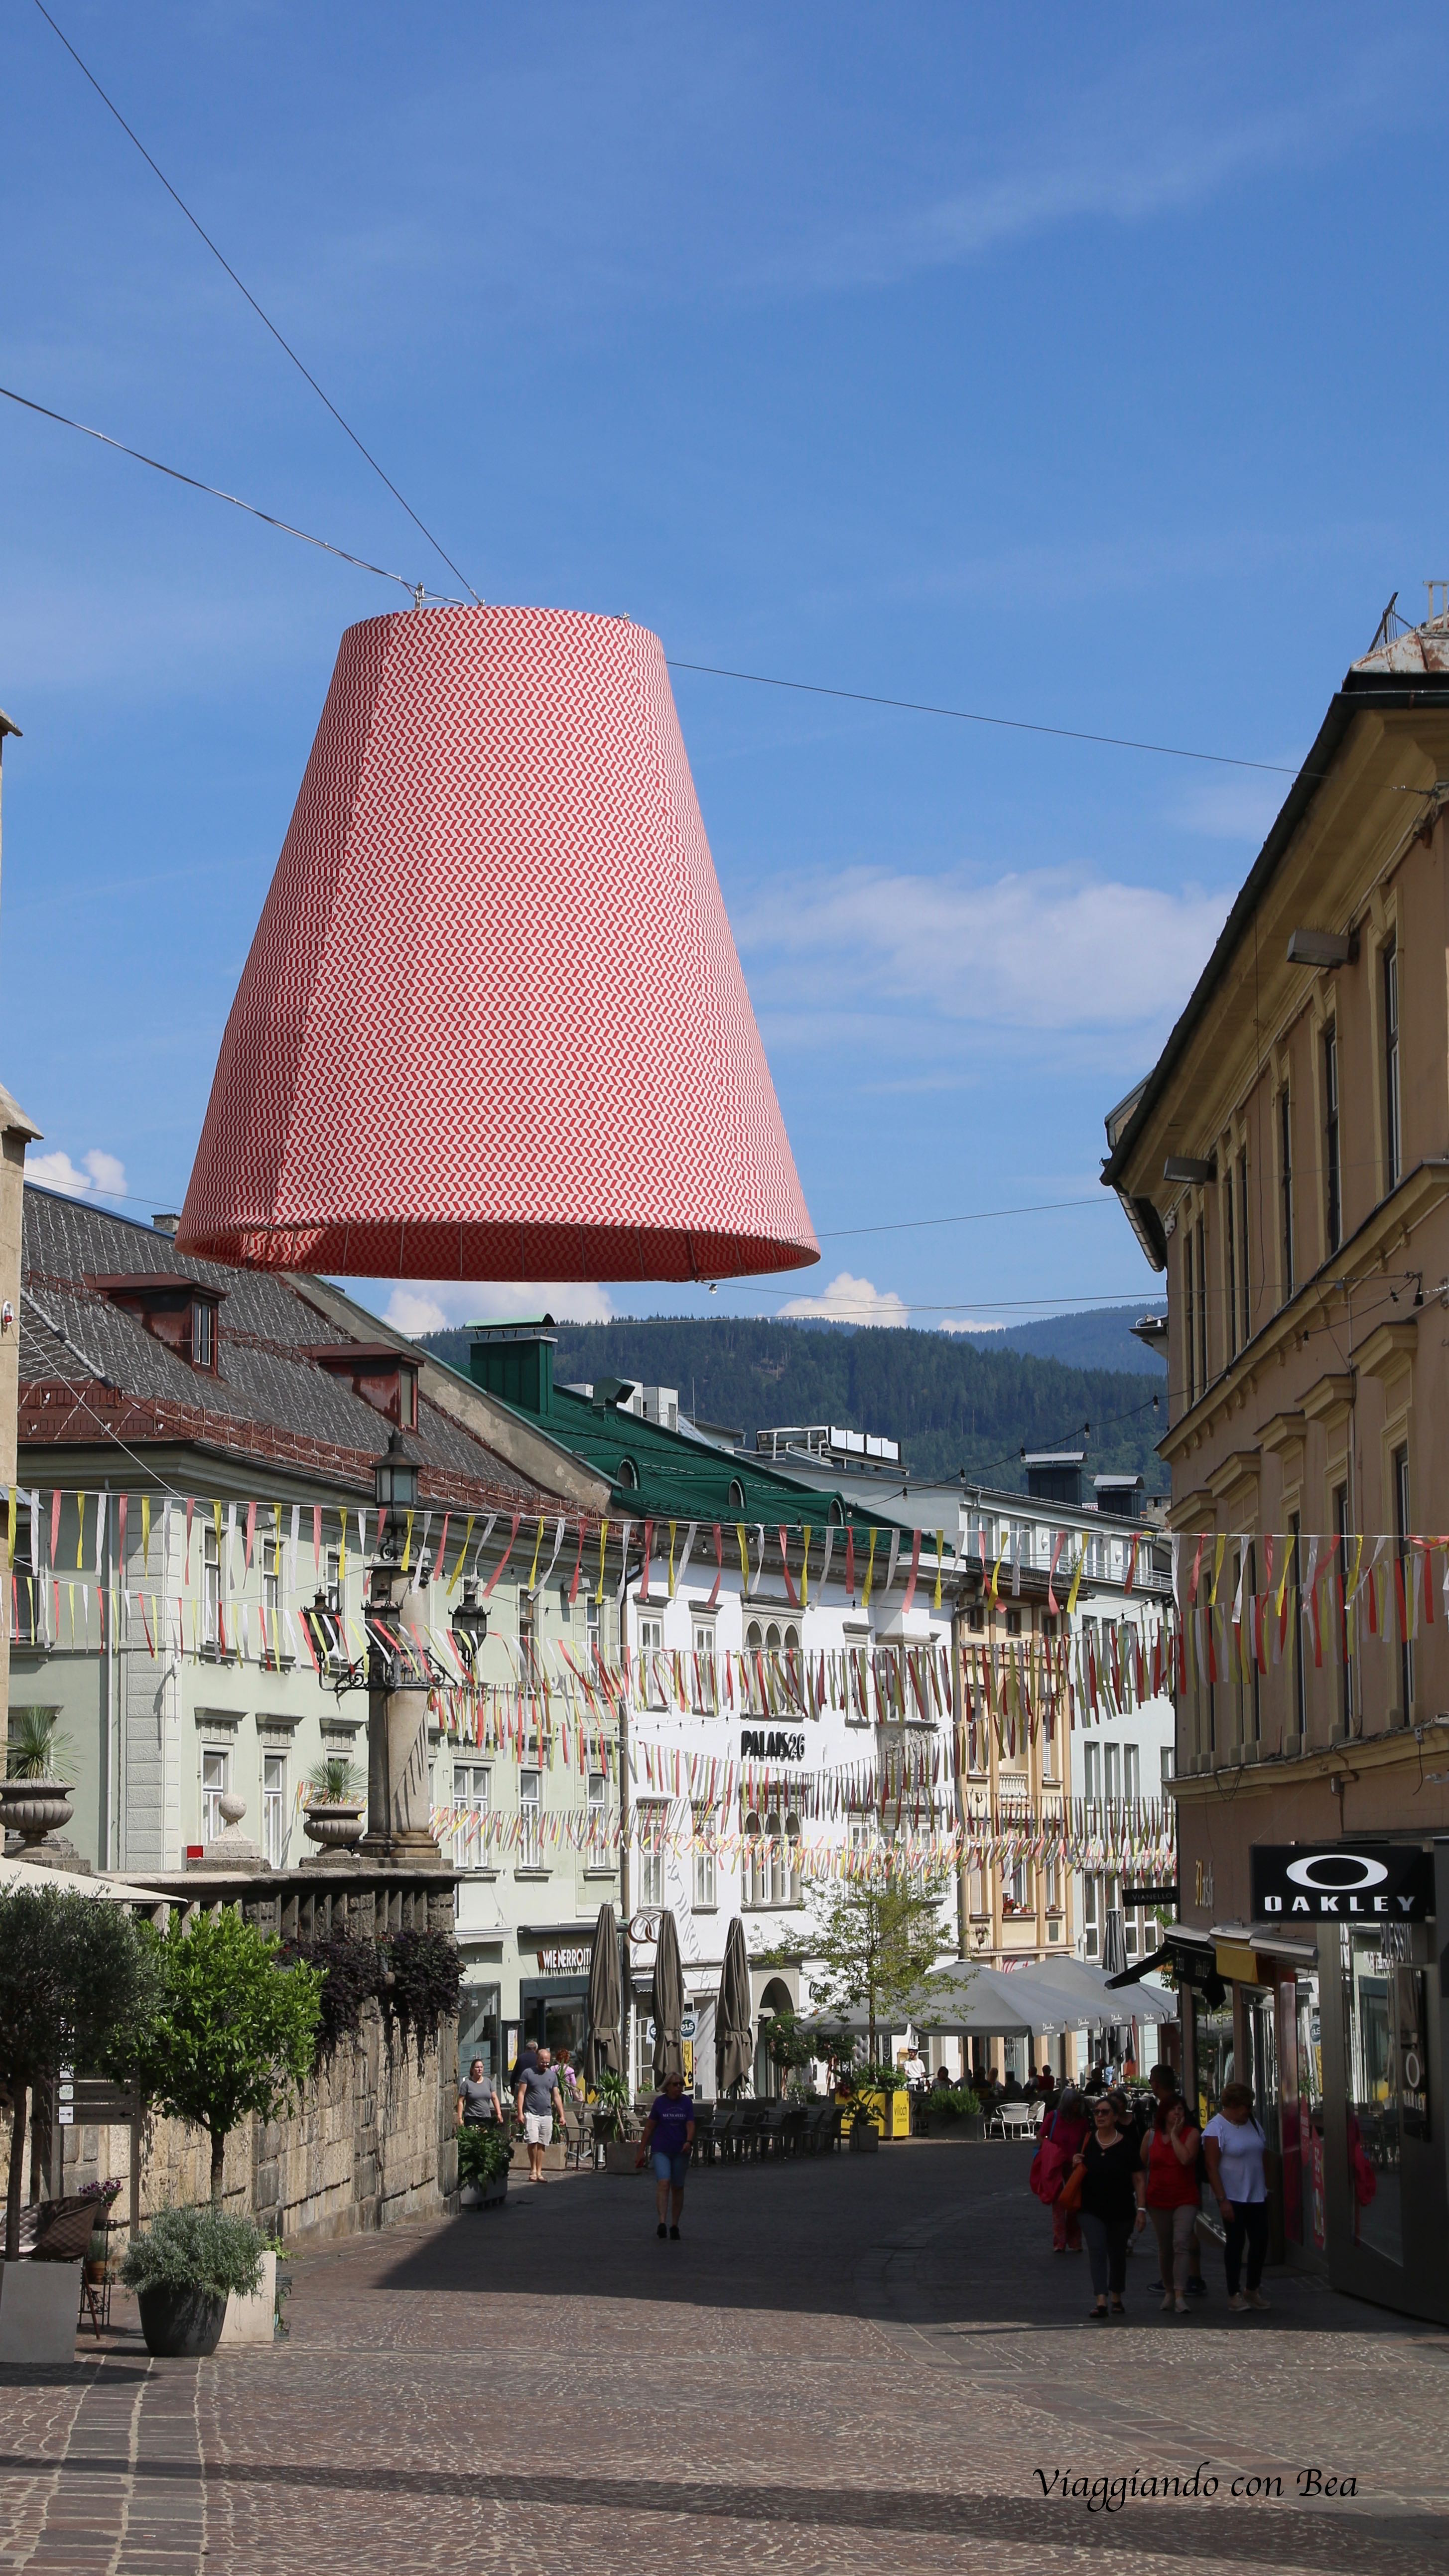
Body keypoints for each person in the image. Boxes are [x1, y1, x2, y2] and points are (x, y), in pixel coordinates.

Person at [1071, 2092, 1147, 2318]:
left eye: (1105, 2112)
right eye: (1096, 2112)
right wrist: (1075, 2162)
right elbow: (1077, 2169)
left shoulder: (1127, 2145)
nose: (1100, 2116)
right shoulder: (1087, 2141)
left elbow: (1139, 2178)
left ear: (1115, 2116)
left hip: (1121, 2210)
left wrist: (1142, 2209)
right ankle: (1101, 2299)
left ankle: (1116, 2296)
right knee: (1097, 2248)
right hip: (1090, 2208)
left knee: (1117, 2253)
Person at [1204, 2081, 1272, 2311]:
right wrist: (1222, 2200)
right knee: (1236, 2243)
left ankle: (1252, 2288)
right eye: (1246, 2106)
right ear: (1233, 2106)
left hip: (1257, 2194)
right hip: (1232, 2195)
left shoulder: (1253, 2123)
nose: (1249, 2110)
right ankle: (1233, 2292)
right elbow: (1211, 2167)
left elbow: (1261, 2153)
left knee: (1260, 2241)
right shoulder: (1217, 2127)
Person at [1142, 2076, 1201, 2316]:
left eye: (1181, 2109)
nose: (1177, 2113)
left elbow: (1186, 2159)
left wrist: (1175, 2136)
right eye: (1173, 2110)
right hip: (1158, 2198)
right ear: (1164, 2113)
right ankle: (1168, 2289)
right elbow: (1141, 2167)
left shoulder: (1192, 2134)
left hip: (1185, 2197)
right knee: (1165, 2248)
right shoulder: (1151, 2136)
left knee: (1181, 2243)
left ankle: (1180, 2294)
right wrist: (1141, 2204)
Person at [639, 2070, 695, 2239]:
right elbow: (649, 2127)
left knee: (678, 2187)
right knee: (664, 2183)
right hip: (661, 2149)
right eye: (675, 2084)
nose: (679, 2087)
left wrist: (689, 2141)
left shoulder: (686, 2102)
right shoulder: (660, 2103)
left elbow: (691, 2124)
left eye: (681, 2084)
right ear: (667, 2087)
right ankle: (662, 2222)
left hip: (680, 2150)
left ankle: (675, 2225)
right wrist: (641, 2150)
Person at [1035, 2084, 1090, 2254]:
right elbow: (1041, 2136)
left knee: (1074, 2203)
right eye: (1074, 2103)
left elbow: (1087, 2140)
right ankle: (1059, 2242)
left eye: (1078, 2102)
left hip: (1075, 2166)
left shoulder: (1082, 2122)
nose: (1077, 2105)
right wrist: (1052, 2150)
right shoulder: (1054, 2117)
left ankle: (1075, 2241)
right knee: (1058, 2205)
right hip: (1056, 2165)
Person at [515, 2044, 562, 2184]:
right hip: (531, 2113)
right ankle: (533, 2170)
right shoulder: (528, 2073)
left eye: (547, 2062)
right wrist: (520, 2113)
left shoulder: (552, 2075)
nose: (545, 2065)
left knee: (542, 2143)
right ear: (537, 2059)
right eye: (543, 2062)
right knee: (532, 2141)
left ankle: (540, 2171)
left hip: (547, 2114)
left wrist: (562, 2115)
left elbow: (556, 2096)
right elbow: (521, 2094)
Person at [457, 2058, 503, 2128]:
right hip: (472, 2117)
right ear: (472, 2069)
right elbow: (460, 2101)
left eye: (481, 2067)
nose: (480, 2069)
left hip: (486, 2117)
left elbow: (494, 2098)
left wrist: (499, 2113)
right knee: (474, 2134)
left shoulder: (488, 2082)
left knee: (486, 2134)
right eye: (477, 2067)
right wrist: (460, 2118)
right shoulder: (467, 2084)